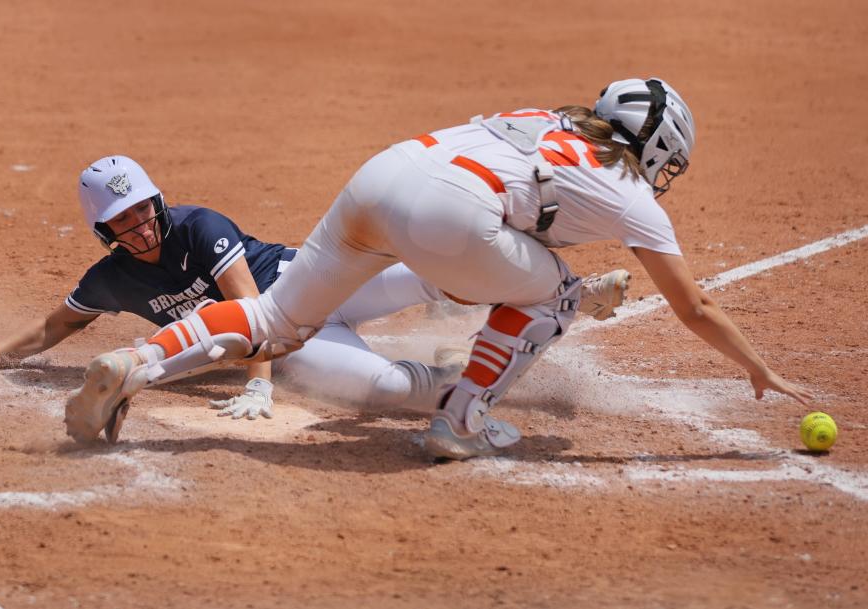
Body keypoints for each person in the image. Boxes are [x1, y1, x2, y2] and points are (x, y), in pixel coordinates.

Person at [68, 77, 800, 460]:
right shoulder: (629, 188)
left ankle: (138, 361)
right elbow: (694, 307)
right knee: (556, 294)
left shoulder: (549, 117)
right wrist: (756, 365)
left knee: (275, 318)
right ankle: (460, 418)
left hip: (385, 174)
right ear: (660, 143)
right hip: (449, 215)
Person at [0, 155, 633, 427]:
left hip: (310, 287)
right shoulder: (112, 278)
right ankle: (467, 380)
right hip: (293, 347)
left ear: (157, 202)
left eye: (141, 210)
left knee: (426, 267)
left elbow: (247, 300)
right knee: (389, 391)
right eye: (119, 221)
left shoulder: (199, 225)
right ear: (104, 231)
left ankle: (566, 289)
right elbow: (55, 327)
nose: (136, 227)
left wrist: (256, 386)